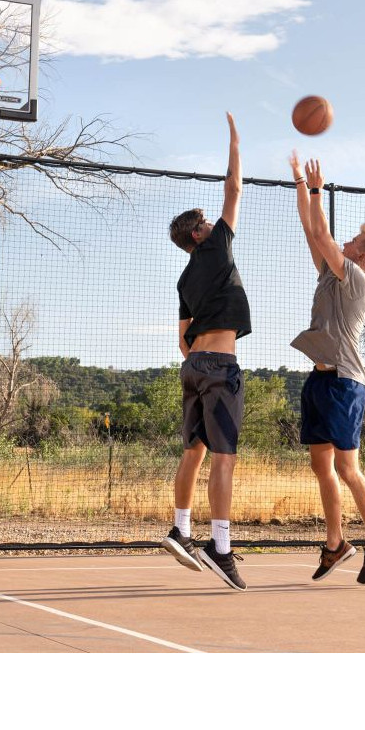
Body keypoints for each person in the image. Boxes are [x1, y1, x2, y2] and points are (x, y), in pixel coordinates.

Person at [288, 150, 365, 585]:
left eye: (351, 242)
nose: (344, 243)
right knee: (321, 466)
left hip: (346, 384)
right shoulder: (330, 273)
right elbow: (310, 229)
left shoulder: (357, 278)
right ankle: (336, 544)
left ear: (361, 256)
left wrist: (317, 189)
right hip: (319, 380)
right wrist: (301, 184)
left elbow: (321, 231)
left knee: (348, 469)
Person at [162, 113, 250, 590]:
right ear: (199, 235)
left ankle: (180, 529)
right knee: (223, 458)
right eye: (205, 222)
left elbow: (182, 340)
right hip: (219, 366)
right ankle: (220, 548)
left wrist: (199, 357)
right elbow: (233, 188)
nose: (213, 222)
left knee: (193, 452)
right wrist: (235, 141)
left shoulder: (184, 279)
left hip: (193, 366)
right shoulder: (216, 248)